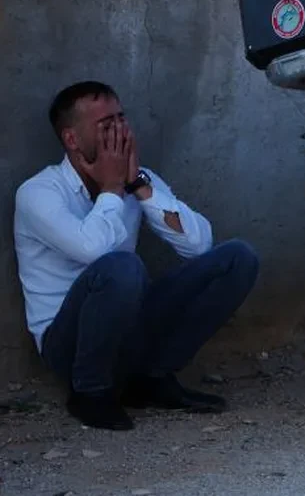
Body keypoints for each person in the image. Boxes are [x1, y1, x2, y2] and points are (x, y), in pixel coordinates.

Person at [13, 81, 260, 431]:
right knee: (122, 266)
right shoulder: (38, 193)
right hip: (68, 344)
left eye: (121, 118)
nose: (121, 132)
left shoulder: (137, 180)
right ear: (72, 139)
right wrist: (112, 189)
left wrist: (139, 187)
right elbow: (92, 250)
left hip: (128, 329)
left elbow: (199, 244)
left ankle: (151, 378)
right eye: (106, 125)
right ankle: (90, 392)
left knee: (237, 258)